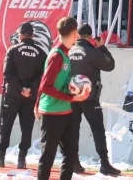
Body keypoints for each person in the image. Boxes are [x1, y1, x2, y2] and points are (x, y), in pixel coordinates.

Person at [35, 16, 90, 180]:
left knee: (71, 154)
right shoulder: (56, 56)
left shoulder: (65, 54)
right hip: (52, 114)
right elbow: (45, 85)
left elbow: (51, 82)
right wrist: (72, 98)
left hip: (65, 112)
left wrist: (75, 90)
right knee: (48, 157)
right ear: (74, 33)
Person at [69, 23, 121, 176]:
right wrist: (102, 47)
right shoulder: (91, 51)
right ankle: (104, 163)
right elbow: (109, 65)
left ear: (77, 35)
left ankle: (74, 162)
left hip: (71, 96)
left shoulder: (69, 50)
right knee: (98, 129)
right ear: (90, 37)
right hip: (89, 97)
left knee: (72, 130)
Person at [0, 22, 46, 169]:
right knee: (27, 127)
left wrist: (20, 88)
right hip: (30, 97)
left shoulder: (13, 50)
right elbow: (43, 76)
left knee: (6, 126)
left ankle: (0, 158)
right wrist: (29, 89)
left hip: (12, 95)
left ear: (21, 34)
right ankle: (21, 160)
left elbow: (7, 73)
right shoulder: (41, 53)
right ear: (33, 34)